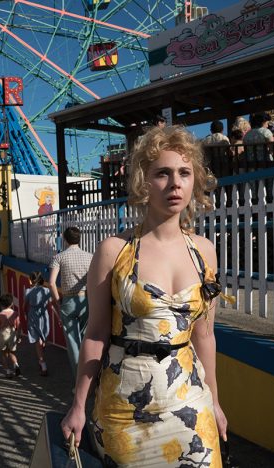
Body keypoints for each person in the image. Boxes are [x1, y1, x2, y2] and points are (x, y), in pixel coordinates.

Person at [61, 126, 230, 467]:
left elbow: (205, 335)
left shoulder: (205, 252)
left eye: (185, 173)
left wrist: (214, 401)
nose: (175, 183)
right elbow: (95, 333)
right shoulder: (114, 251)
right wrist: (78, 405)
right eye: (162, 173)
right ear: (143, 181)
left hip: (191, 405)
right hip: (124, 410)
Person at [48, 226, 93, 382]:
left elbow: (52, 283)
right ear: (79, 238)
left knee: (73, 343)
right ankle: (90, 379)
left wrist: (58, 301)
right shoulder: (90, 257)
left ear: (65, 239)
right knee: (86, 339)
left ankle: (78, 381)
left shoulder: (59, 257)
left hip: (68, 301)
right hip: (86, 300)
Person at [23, 271, 52, 376]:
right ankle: (42, 360)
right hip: (44, 315)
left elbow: (24, 305)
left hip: (33, 316)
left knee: (37, 340)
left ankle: (43, 365)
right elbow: (51, 305)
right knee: (42, 339)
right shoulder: (46, 290)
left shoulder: (28, 291)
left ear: (31, 279)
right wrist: (59, 318)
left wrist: (25, 315)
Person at [0, 293, 21, 378]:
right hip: (12, 334)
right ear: (11, 304)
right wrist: (18, 336)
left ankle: (8, 371)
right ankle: (16, 365)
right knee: (12, 352)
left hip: (3, 334)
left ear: (0, 304)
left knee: (4, 354)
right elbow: (19, 326)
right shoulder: (15, 313)